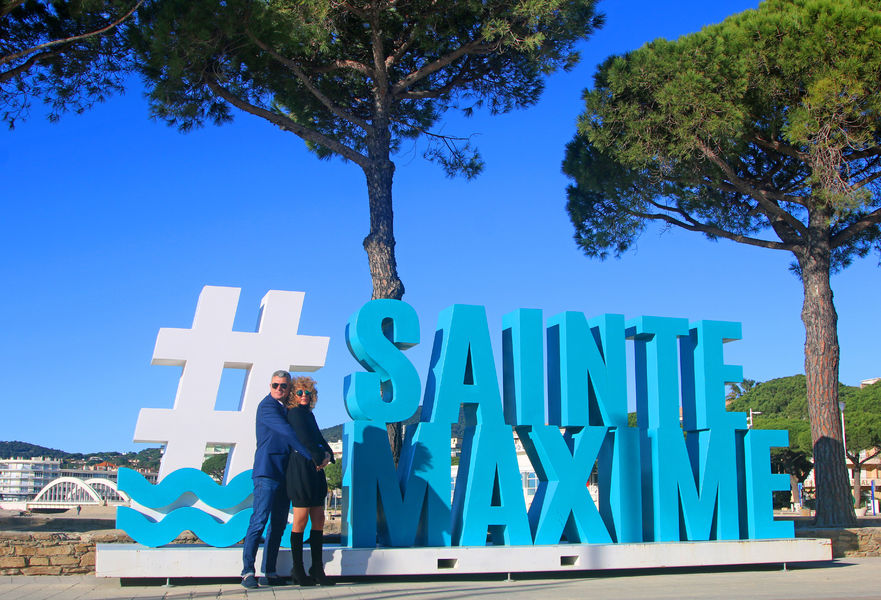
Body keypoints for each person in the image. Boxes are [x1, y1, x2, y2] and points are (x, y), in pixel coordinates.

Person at [240, 370, 311, 590]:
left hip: (284, 473)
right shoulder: (267, 407)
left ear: (289, 388)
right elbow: (289, 433)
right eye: (275, 385)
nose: (279, 389)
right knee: (259, 521)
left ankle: (269, 571)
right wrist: (311, 456)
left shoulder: (285, 409)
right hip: (266, 472)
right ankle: (247, 572)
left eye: (283, 386)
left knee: (279, 524)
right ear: (270, 386)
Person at [285, 376, 335, 586]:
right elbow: (304, 439)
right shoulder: (295, 413)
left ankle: (317, 567)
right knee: (301, 519)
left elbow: (319, 438)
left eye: (308, 393)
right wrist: (319, 457)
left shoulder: (309, 414)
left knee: (319, 518)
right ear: (293, 396)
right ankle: (298, 569)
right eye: (300, 392)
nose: (304, 395)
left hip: (315, 468)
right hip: (301, 468)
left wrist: (328, 455)